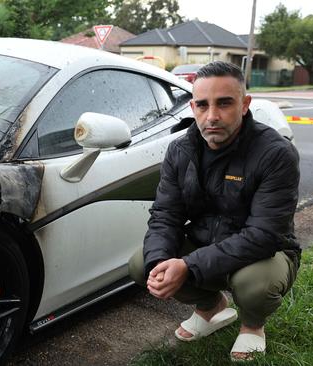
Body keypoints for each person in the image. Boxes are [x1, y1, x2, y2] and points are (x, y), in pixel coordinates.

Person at [129, 61, 300, 361]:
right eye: (203, 105)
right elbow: (165, 215)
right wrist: (161, 262)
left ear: (245, 104)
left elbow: (264, 235)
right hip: (206, 242)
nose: (212, 116)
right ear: (193, 107)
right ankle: (212, 309)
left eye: (224, 103)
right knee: (143, 264)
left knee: (255, 285)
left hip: (266, 252)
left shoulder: (276, 153)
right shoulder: (180, 150)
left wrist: (189, 266)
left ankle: (252, 326)